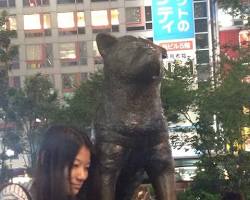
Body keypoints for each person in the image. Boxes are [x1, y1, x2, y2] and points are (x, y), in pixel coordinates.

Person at [33, 125, 92, 200]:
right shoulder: (18, 196)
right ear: (45, 159)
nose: (83, 176)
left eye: (86, 167)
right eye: (75, 165)